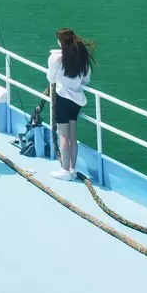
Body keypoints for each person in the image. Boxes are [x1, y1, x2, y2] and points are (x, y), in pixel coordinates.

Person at [45, 27, 95, 180]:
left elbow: (51, 78)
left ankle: (65, 170)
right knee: (73, 136)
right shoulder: (82, 57)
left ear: (60, 42)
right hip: (77, 100)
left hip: (62, 97)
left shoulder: (57, 58)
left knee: (63, 136)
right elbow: (86, 79)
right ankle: (73, 169)